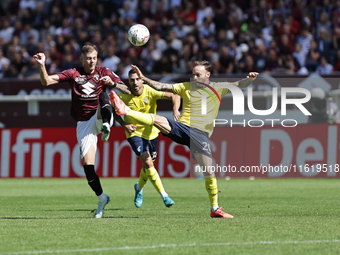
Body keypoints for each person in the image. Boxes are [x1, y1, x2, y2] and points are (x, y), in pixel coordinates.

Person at [110, 60, 259, 218]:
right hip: (184, 128)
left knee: (209, 170)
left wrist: (249, 79)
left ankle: (214, 209)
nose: (195, 78)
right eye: (193, 74)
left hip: (200, 136)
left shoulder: (218, 88)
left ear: (208, 75)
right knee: (158, 119)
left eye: (198, 75)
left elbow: (238, 84)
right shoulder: (186, 87)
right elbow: (162, 86)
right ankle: (126, 111)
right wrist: (144, 79)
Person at [33, 44, 130, 218]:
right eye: (88, 58)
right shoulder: (73, 74)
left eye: (94, 58)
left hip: (100, 114)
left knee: (104, 95)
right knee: (88, 167)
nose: (92, 61)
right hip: (84, 123)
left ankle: (107, 124)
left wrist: (112, 83)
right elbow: (46, 81)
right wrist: (42, 65)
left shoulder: (104, 71)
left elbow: (126, 89)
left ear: (97, 58)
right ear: (82, 59)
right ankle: (102, 198)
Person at [114, 68, 181, 208]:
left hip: (152, 134)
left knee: (147, 167)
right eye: (132, 80)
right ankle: (164, 195)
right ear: (129, 82)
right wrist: (124, 124)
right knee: (149, 163)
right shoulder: (124, 96)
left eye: (137, 79)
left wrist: (175, 110)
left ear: (142, 80)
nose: (135, 82)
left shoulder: (150, 91)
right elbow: (113, 112)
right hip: (135, 134)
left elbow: (175, 96)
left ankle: (138, 187)